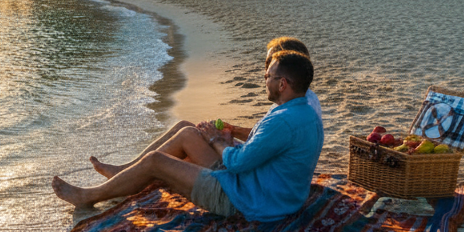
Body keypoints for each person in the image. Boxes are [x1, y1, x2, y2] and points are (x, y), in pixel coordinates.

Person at [53, 50, 323, 223]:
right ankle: (123, 172)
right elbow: (263, 152)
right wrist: (227, 142)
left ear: (282, 84)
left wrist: (218, 142)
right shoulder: (305, 113)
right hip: (265, 188)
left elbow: (238, 164)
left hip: (249, 200)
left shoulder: (282, 121)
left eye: (268, 75)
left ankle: (89, 196)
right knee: (186, 128)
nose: (265, 79)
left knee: (156, 162)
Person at [88, 36, 321, 179]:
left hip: (250, 169)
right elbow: (270, 138)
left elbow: (254, 154)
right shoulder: (301, 103)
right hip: (257, 158)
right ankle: (128, 169)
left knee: (189, 137)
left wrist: (217, 141)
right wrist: (233, 130)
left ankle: (138, 173)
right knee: (185, 126)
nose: (266, 68)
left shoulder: (295, 109)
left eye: (271, 63)